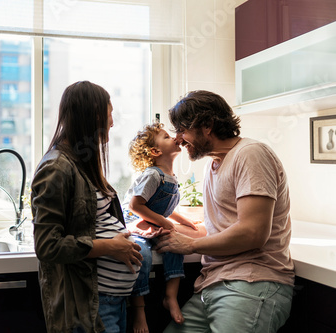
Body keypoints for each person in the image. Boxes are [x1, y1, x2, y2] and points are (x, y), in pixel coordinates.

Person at [155, 90, 295, 333]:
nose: (178, 139)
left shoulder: (250, 154)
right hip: (213, 284)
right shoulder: (214, 165)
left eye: (182, 130)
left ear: (207, 125)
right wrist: (164, 229)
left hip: (251, 283)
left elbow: (252, 233)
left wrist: (189, 245)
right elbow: (217, 230)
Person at [31, 81, 143, 333]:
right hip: (85, 305)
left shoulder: (83, 163)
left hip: (111, 300)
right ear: (92, 116)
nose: (112, 122)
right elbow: (48, 246)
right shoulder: (56, 168)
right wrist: (110, 246)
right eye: (109, 114)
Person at [121, 122, 206, 332]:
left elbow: (165, 206)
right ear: (155, 151)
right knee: (143, 255)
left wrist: (182, 219)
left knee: (175, 246)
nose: (174, 138)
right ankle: (139, 309)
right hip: (136, 220)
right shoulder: (153, 175)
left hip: (152, 220)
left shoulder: (171, 177)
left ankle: (170, 297)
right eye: (167, 137)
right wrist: (165, 222)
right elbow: (136, 205)